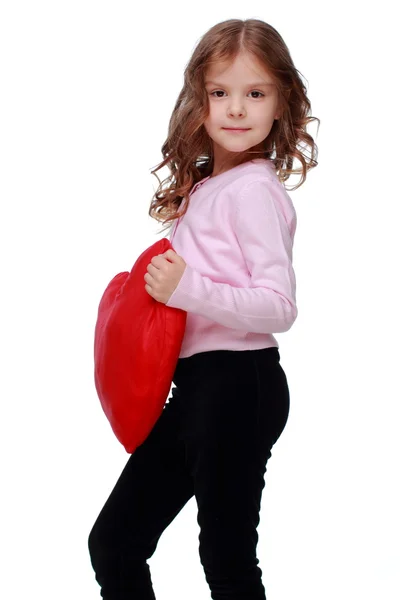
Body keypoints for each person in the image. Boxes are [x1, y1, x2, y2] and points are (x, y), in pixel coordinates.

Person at [88, 17, 319, 600]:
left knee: (227, 560)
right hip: (197, 387)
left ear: (281, 102)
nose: (236, 109)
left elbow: (279, 306)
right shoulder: (207, 189)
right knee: (115, 542)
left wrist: (189, 290)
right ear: (200, 98)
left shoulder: (256, 191)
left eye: (256, 92)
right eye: (221, 92)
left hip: (240, 383)